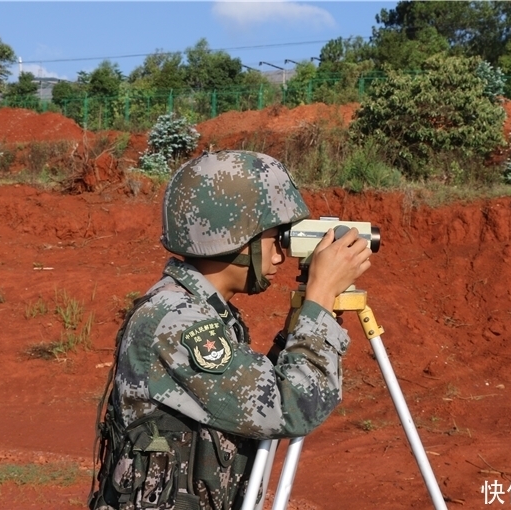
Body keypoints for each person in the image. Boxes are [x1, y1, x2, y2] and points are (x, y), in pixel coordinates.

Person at [90, 150, 372, 510]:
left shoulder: (198, 310)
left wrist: (305, 321)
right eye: (274, 237)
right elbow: (294, 406)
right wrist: (319, 299)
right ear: (234, 236)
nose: (280, 255)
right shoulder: (177, 322)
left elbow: (257, 391)